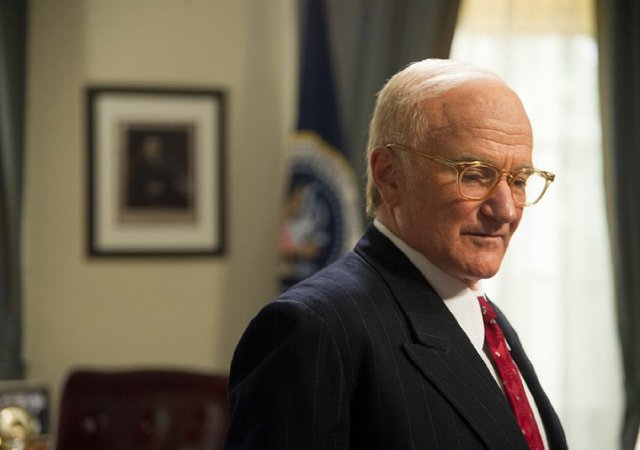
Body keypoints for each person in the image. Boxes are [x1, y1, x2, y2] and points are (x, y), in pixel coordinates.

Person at [224, 59, 567, 450]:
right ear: (390, 175)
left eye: (519, 180)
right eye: (474, 174)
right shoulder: (315, 330)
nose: (506, 210)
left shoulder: (483, 316)